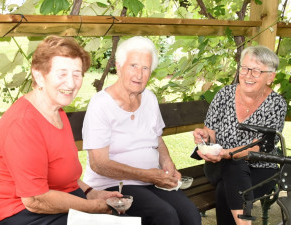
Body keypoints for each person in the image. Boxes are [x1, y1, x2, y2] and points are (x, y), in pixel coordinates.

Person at [0, 36, 122, 225]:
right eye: (62, 74)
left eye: (77, 74)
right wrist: (93, 208)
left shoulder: (57, 110)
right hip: (24, 212)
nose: (71, 84)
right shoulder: (22, 124)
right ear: (38, 76)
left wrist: (91, 193)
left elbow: (62, 174)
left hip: (62, 200)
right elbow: (35, 200)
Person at [82, 36, 201, 225]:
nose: (139, 74)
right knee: (165, 216)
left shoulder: (149, 98)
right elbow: (99, 164)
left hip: (151, 182)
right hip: (113, 186)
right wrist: (148, 175)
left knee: (190, 215)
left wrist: (168, 164)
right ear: (119, 67)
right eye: (133, 66)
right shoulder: (101, 104)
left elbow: (157, 140)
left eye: (145, 68)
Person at [192, 45, 287, 225]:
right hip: (219, 164)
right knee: (233, 165)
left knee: (226, 185)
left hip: (261, 167)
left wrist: (228, 154)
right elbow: (210, 134)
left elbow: (259, 147)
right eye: (244, 68)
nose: (247, 75)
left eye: (257, 71)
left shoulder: (276, 104)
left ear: (270, 77)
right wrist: (204, 137)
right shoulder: (224, 95)